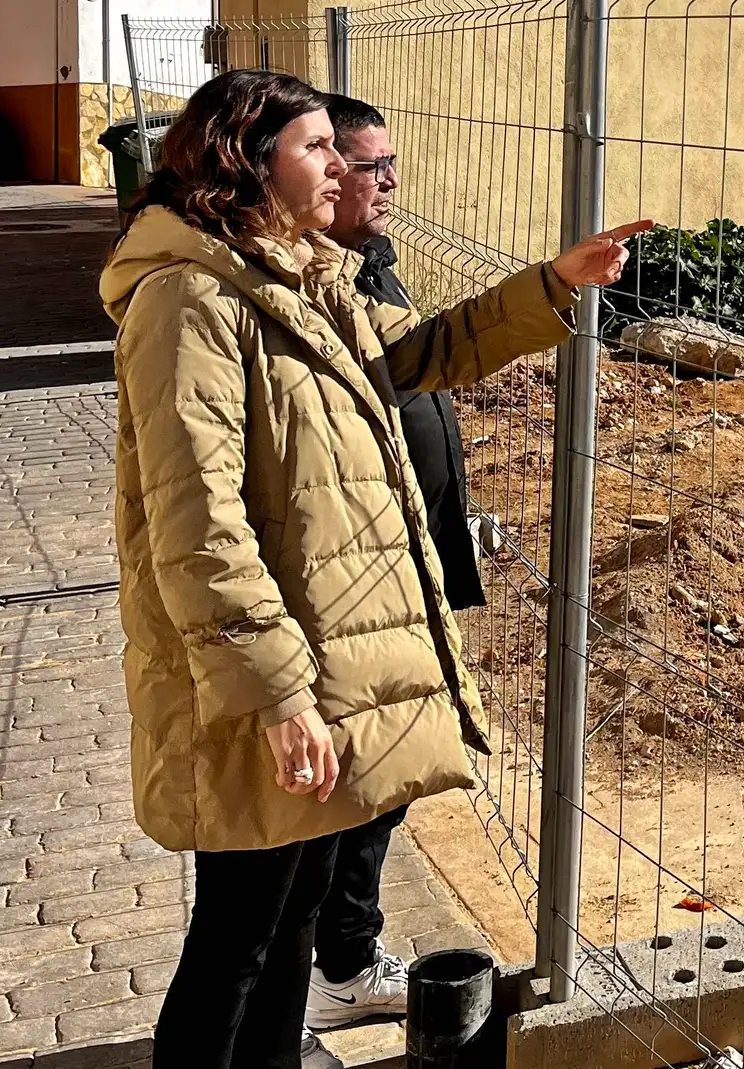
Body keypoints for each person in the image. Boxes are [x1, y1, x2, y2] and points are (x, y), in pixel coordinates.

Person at [100, 68, 649, 1069]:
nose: (344, 167)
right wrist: (278, 694)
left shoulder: (302, 278)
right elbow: (197, 523)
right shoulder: (188, 301)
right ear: (246, 163)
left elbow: (428, 348)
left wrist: (554, 286)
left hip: (321, 661)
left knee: (294, 917)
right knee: (237, 934)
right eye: (319, 149)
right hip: (263, 681)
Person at [286, 94, 457, 1041]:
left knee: (381, 784)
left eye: (391, 162)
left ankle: (340, 960)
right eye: (360, 161)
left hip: (403, 563)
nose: (387, 181)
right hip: (350, 586)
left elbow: (426, 366)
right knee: (345, 793)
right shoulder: (259, 294)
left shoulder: (366, 267)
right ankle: (333, 968)